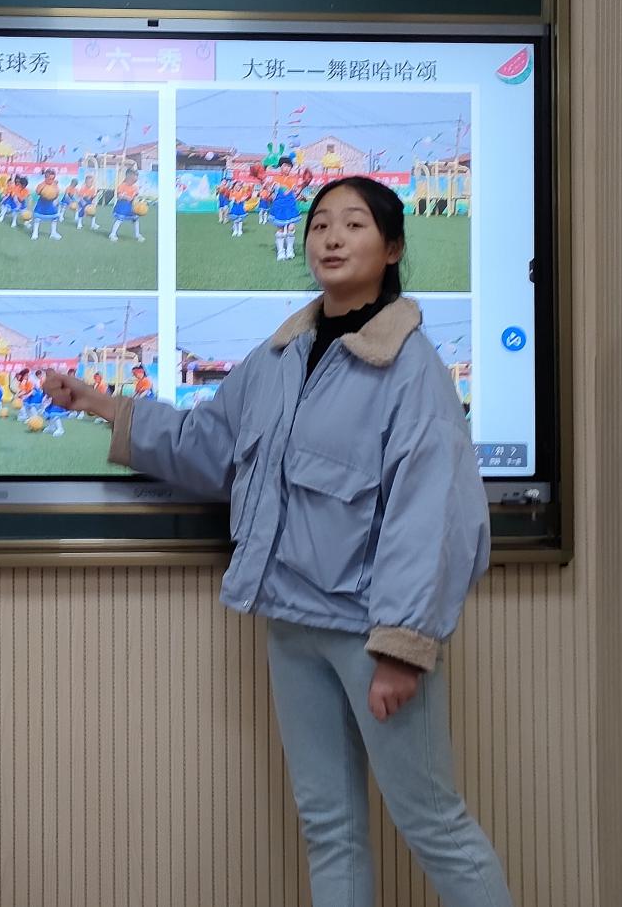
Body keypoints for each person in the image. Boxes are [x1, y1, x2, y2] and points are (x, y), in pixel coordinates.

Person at [42, 176, 513, 907]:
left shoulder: (413, 370)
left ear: (391, 248)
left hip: (371, 637)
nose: (331, 238)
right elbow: (209, 444)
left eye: (353, 224)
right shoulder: (278, 357)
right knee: (329, 827)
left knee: (432, 823)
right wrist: (104, 406)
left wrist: (402, 646)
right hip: (290, 625)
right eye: (319, 224)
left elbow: (432, 514)